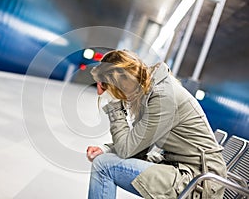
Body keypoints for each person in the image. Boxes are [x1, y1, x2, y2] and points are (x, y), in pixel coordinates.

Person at [86, 49, 227, 199]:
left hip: (198, 181)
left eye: (109, 87)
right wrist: (105, 149)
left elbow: (127, 150)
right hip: (182, 169)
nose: (101, 93)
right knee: (104, 161)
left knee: (103, 166)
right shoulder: (151, 91)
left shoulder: (162, 97)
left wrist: (113, 102)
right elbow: (137, 147)